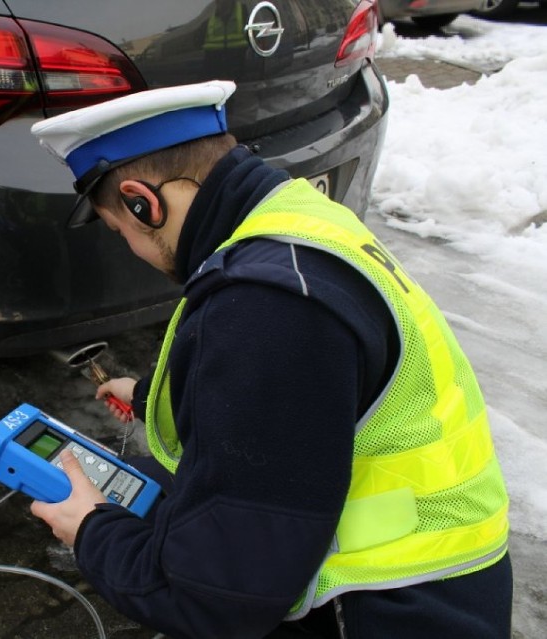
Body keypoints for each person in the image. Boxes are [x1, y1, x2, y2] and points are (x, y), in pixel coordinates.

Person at [29, 80, 512, 638]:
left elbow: (212, 597)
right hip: (445, 581)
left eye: (122, 229)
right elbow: (316, 398)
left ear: (145, 202)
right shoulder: (302, 220)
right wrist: (150, 396)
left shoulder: (263, 310)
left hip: (376, 607)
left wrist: (91, 530)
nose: (132, 250)